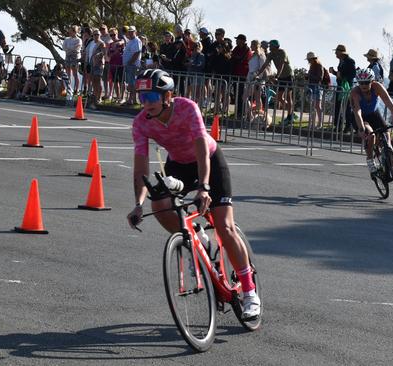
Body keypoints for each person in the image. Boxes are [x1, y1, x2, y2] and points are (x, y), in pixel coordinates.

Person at [126, 69, 261, 321]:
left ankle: (250, 291)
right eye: (142, 97)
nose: (146, 103)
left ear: (168, 96)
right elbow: (141, 166)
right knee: (159, 204)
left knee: (224, 225)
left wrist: (205, 186)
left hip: (208, 160)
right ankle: (196, 237)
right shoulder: (141, 122)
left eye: (152, 96)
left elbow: (201, 146)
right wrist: (137, 203)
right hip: (178, 163)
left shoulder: (187, 108)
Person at [350, 68, 393, 174]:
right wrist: (361, 129)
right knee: (370, 134)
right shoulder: (355, 92)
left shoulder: (377, 87)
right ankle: (370, 160)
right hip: (359, 117)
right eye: (361, 83)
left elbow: (389, 102)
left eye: (366, 82)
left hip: (374, 114)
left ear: (372, 81)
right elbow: (357, 112)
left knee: (387, 141)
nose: (363, 85)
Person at [258, 40, 294, 124]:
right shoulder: (271, 54)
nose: (269, 47)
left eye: (271, 45)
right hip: (281, 76)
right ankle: (291, 112)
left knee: (289, 97)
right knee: (279, 97)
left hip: (288, 76)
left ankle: (290, 116)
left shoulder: (282, 52)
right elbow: (265, 64)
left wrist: (277, 76)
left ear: (275, 46)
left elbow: (281, 65)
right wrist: (258, 74)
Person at [329, 44, 356, 132]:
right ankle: (338, 126)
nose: (335, 54)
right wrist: (334, 72)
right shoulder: (341, 61)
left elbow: (352, 75)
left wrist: (342, 76)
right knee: (338, 106)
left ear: (341, 52)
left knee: (347, 107)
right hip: (340, 87)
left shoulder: (350, 61)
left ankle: (348, 126)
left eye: (336, 52)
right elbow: (340, 74)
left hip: (346, 88)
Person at [305, 52, 325, 128]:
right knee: (313, 106)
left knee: (317, 106)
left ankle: (319, 123)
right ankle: (312, 123)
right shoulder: (312, 66)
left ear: (313, 59)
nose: (308, 61)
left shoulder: (319, 66)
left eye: (309, 59)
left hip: (317, 87)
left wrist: (310, 75)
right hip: (311, 87)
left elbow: (320, 78)